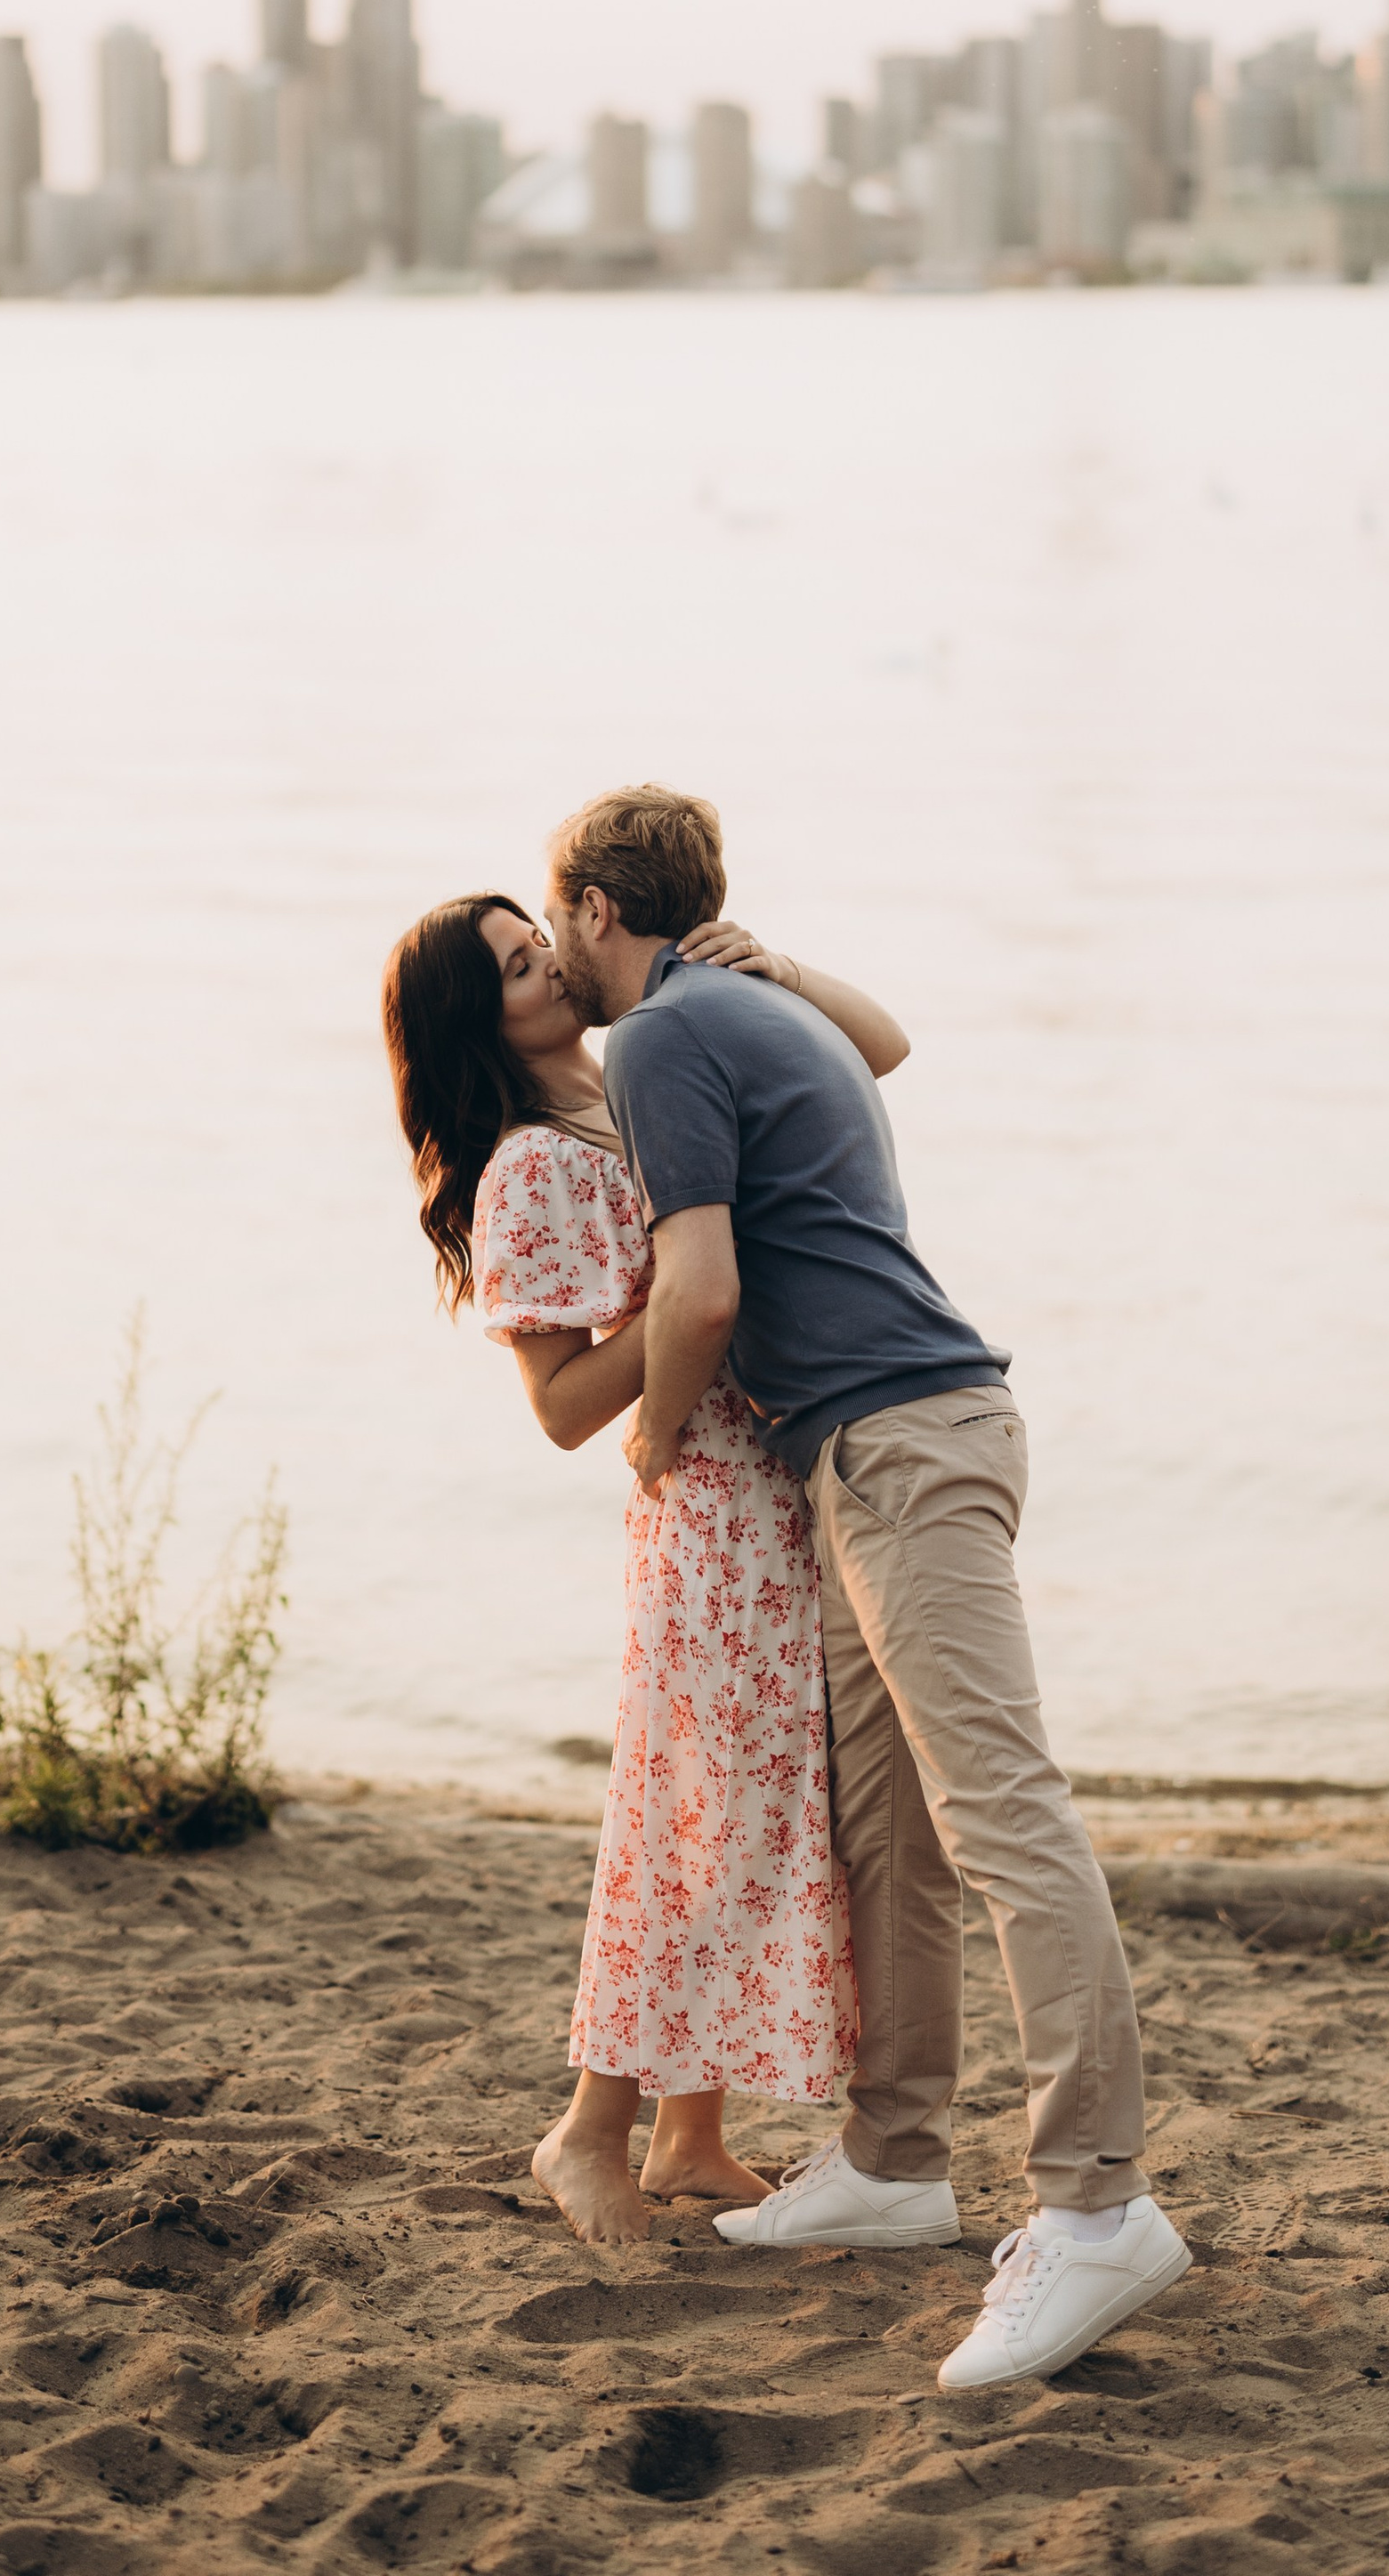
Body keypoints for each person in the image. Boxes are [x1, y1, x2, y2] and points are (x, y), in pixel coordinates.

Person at [542, 783, 1191, 2395]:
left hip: (907, 1445)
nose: (558, 957)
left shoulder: (667, 1040)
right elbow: (887, 1043)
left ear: (599, 918)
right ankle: (895, 2163)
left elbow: (698, 1285)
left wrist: (653, 1445)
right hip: (878, 1449)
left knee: (1003, 1822)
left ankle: (1099, 2212)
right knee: (886, 1832)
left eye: (562, 927)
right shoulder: (755, 1002)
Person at [381, 886, 905, 2245]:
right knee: (689, 1821)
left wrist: (769, 968)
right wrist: (680, 1332)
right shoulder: (534, 1164)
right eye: (510, 967)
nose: (544, 964)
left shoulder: (631, 1091)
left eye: (537, 939)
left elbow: (880, 1052)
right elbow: (561, 1409)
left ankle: (690, 2137)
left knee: (733, 1813)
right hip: (706, 1516)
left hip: (768, 1492)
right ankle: (590, 2130)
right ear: (473, 1020)